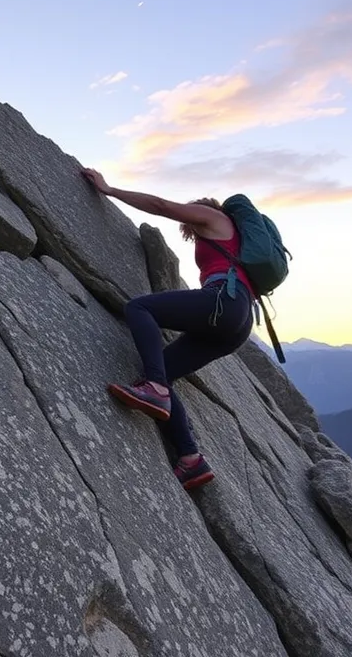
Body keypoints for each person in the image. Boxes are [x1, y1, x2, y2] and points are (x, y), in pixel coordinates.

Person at [81, 167, 256, 489]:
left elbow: (161, 206)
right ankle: (191, 458)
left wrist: (109, 190)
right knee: (163, 371)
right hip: (239, 322)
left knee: (139, 307)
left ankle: (156, 390)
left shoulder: (211, 216)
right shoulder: (236, 241)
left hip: (224, 301)